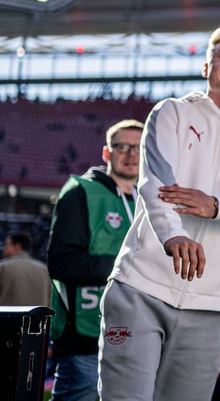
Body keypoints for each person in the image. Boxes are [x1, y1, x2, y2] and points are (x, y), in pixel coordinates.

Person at [97, 24, 220, 401]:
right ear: (207, 67)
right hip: (142, 287)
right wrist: (173, 234)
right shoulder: (171, 112)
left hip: (214, 307)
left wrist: (216, 206)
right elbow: (155, 182)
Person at [47, 119, 143, 401]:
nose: (131, 154)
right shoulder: (80, 192)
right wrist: (128, 267)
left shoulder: (150, 201)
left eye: (138, 148)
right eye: (122, 147)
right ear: (107, 153)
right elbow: (62, 263)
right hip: (86, 334)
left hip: (139, 331)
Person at [0, 231, 51, 306]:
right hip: (38, 313)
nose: (4, 249)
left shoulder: (3, 267)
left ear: (17, 246)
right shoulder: (44, 270)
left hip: (7, 313)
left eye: (7, 245)